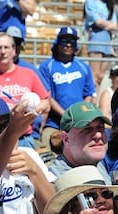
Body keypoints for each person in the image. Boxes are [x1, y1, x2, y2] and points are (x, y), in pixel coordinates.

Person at [0, 32, 50, 149]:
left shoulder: (29, 74)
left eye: (6, 47)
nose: (3, 52)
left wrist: (31, 111)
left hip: (24, 139)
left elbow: (46, 103)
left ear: (14, 50)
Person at [38, 27, 96, 155]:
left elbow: (89, 94)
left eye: (72, 41)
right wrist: (66, 114)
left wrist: (80, 114)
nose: (68, 44)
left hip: (79, 123)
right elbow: (47, 96)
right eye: (64, 41)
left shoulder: (83, 67)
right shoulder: (47, 66)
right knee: (48, 155)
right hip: (54, 123)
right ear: (58, 43)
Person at [84, 0, 117, 96]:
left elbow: (115, 26)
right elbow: (97, 21)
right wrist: (108, 25)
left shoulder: (110, 3)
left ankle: (97, 101)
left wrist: (103, 24)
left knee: (101, 77)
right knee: (94, 76)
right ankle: (93, 101)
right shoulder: (90, 2)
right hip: (96, 40)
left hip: (107, 41)